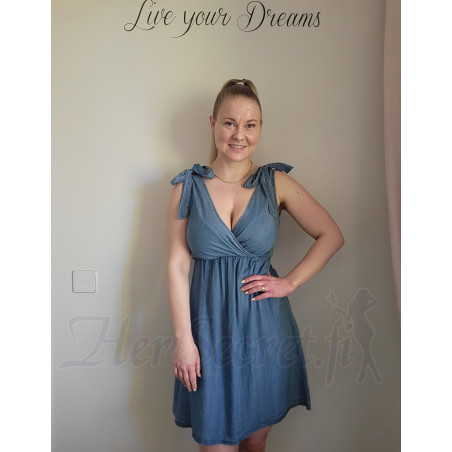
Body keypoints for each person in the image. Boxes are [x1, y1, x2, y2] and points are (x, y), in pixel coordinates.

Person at [166, 79, 344, 451]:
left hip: (265, 331)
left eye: (250, 125)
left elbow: (330, 235)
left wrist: (290, 282)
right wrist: (184, 341)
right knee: (215, 442)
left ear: (260, 128)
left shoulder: (275, 183)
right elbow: (177, 267)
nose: (239, 134)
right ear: (213, 123)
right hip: (208, 335)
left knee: (254, 445)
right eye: (230, 123)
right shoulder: (187, 187)